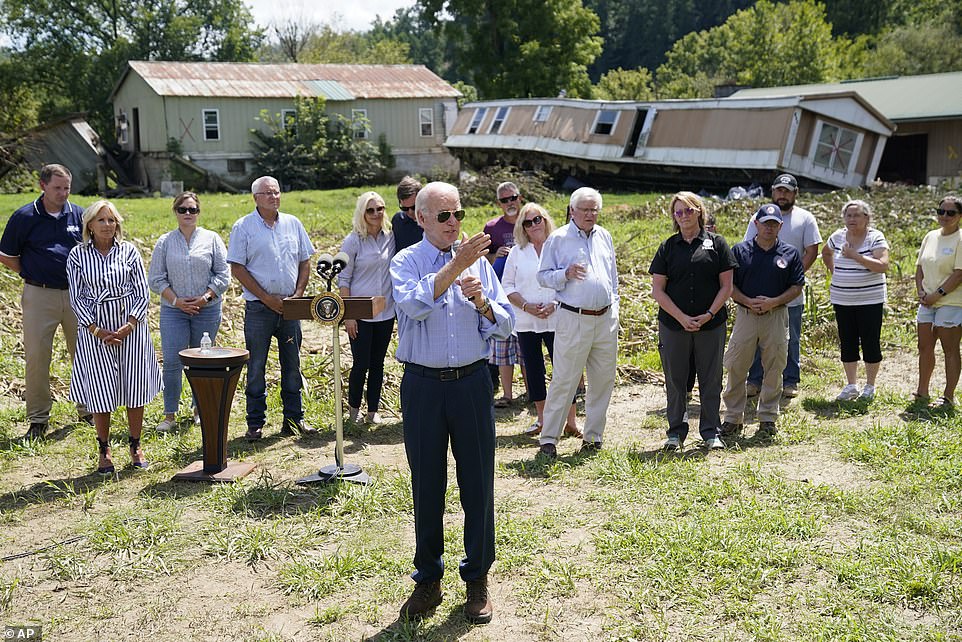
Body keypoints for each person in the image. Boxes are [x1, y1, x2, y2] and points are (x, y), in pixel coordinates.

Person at [391, 181, 514, 624]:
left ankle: (478, 577)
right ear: (420, 218)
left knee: (478, 482)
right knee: (427, 484)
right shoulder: (406, 261)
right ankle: (428, 580)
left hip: (471, 384)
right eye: (444, 216)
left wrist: (482, 302)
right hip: (424, 385)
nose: (454, 223)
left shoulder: (479, 265)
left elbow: (504, 326)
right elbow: (414, 305)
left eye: (458, 214)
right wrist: (456, 266)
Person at [67, 200, 162, 474]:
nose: (108, 225)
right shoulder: (77, 255)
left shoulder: (129, 251)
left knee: (134, 386)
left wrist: (130, 324)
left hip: (130, 329)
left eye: (111, 220)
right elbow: (76, 295)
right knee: (101, 390)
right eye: (101, 220)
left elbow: (141, 291)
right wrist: (96, 329)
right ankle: (104, 448)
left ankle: (135, 444)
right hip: (95, 332)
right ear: (90, 226)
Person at [0, 164, 92, 439]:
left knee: (86, 353)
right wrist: (30, 271)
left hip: (77, 294)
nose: (63, 193)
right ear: (42, 186)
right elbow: (6, 255)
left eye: (67, 188)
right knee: (38, 357)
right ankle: (38, 418)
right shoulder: (25, 216)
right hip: (39, 295)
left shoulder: (79, 214)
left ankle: (88, 408)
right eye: (57, 188)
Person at [227, 176, 317, 440]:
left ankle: (294, 419)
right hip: (259, 308)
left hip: (290, 307)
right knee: (256, 366)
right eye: (267, 193)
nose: (273, 197)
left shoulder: (293, 224)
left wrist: (298, 295)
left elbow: (304, 260)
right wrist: (267, 298)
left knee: (292, 364)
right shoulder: (243, 227)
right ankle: (255, 423)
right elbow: (237, 268)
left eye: (277, 192)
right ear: (255, 197)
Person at [536, 187, 619, 458]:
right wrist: (565, 273)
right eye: (584, 209)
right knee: (564, 380)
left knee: (602, 380)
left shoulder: (604, 236)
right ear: (572, 210)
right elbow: (543, 276)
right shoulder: (558, 239)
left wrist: (615, 307)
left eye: (594, 209)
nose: (589, 214)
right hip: (574, 317)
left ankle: (593, 437)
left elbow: (613, 278)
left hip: (605, 319)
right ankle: (549, 439)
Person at [650, 192, 736, 451]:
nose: (684, 216)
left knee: (711, 379)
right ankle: (675, 433)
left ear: (699, 211)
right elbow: (658, 290)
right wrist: (682, 317)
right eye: (678, 212)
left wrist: (709, 314)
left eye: (688, 210)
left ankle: (711, 432)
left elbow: (727, 286)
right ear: (673, 217)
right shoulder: (667, 247)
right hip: (674, 325)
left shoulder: (718, 244)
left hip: (711, 324)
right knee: (676, 380)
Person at [148, 192, 230, 432]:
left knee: (202, 361)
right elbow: (155, 278)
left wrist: (205, 298)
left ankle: (199, 409)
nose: (187, 214)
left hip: (207, 310)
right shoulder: (165, 242)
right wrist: (177, 302)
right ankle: (170, 414)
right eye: (182, 209)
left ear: (198, 213)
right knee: (173, 361)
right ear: (175, 211)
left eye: (192, 210)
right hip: (174, 311)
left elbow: (223, 275)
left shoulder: (212, 239)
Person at [721, 204, 804, 439]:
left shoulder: (789, 253)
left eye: (774, 224)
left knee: (774, 367)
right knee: (737, 366)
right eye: (765, 223)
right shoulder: (740, 251)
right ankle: (733, 417)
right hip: (746, 316)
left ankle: (768, 417)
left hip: (776, 316)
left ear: (780, 226)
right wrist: (746, 300)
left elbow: (796, 286)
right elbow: (729, 285)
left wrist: (774, 301)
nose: (769, 228)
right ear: (756, 224)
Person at [501, 203, 580, 437]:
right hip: (527, 321)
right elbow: (507, 286)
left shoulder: (560, 248)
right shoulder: (517, 252)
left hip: (558, 318)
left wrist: (555, 303)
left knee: (564, 370)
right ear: (522, 228)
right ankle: (543, 420)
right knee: (534, 371)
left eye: (538, 219)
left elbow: (572, 282)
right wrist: (526, 306)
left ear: (546, 220)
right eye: (528, 222)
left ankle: (571, 421)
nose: (534, 225)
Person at [744, 174, 821, 398]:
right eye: (779, 190)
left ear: (795, 193)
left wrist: (790, 279)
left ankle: (790, 380)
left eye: (787, 191)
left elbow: (812, 252)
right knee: (758, 338)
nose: (782, 195)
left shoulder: (805, 218)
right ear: (773, 192)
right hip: (761, 292)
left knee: (791, 338)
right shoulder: (757, 217)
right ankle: (755, 379)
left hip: (791, 294)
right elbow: (749, 248)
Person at [821, 199, 890, 401]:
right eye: (848, 215)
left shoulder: (875, 237)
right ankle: (851, 385)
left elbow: (882, 265)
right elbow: (826, 252)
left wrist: (855, 256)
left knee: (870, 342)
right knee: (847, 341)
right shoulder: (838, 236)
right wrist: (835, 271)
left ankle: (870, 386)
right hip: (842, 298)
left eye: (857, 215)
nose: (852, 219)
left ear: (866, 218)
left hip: (870, 299)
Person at [339, 191, 395, 424]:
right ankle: (354, 410)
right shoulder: (353, 240)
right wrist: (348, 316)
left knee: (378, 364)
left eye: (380, 209)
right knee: (360, 364)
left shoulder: (390, 237)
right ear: (362, 213)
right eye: (370, 210)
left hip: (386, 311)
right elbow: (343, 279)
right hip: (360, 313)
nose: (375, 214)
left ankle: (373, 411)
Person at [913, 195, 962, 408]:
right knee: (924, 346)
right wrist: (921, 291)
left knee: (950, 349)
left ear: (960, 216)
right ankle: (922, 391)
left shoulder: (961, 239)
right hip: (927, 302)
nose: (944, 216)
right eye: (941, 211)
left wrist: (938, 294)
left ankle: (948, 396)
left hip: (951, 302)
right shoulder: (930, 236)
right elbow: (919, 268)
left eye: (950, 213)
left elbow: (959, 274)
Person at [485, 181, 527, 407]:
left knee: (527, 346)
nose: (510, 203)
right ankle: (507, 395)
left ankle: (532, 391)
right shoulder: (492, 227)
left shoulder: (530, 220)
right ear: (498, 203)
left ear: (520, 197)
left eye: (513, 197)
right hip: (503, 294)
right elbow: (481, 259)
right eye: (505, 200)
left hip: (527, 292)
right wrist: (495, 255)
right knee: (503, 345)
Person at [391, 175, 423, 254]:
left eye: (414, 207)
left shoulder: (435, 221)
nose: (410, 212)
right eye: (404, 208)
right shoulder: (398, 220)